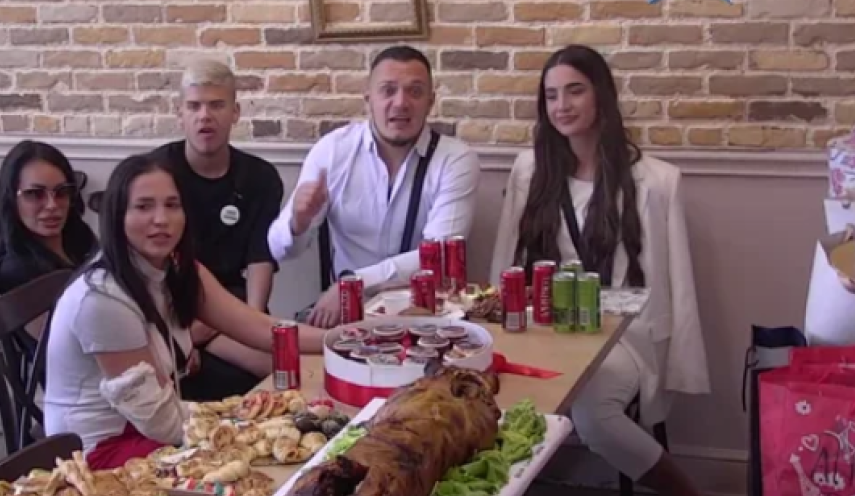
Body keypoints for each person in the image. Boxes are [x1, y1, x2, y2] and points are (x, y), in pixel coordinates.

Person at [489, 45, 710, 496]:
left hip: (621, 334)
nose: (562, 105)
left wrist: (680, 364)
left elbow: (678, 282)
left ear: (601, 96)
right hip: (545, 326)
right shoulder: (530, 170)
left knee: (593, 414)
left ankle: (687, 491)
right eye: (551, 95)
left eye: (575, 91)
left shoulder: (657, 180)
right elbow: (507, 258)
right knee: (483, 388)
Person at [43, 154, 325, 470]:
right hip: (98, 453)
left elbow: (258, 327)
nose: (161, 219)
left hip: (155, 425)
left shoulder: (177, 268)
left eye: (172, 205)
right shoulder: (101, 300)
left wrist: (341, 339)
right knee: (264, 462)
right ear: (117, 215)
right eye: (143, 206)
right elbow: (160, 422)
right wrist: (246, 428)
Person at [268, 45, 480, 328]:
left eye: (415, 91)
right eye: (388, 90)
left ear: (431, 101)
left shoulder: (456, 159)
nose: (401, 102)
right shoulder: (333, 151)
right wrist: (297, 222)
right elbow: (279, 250)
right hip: (344, 315)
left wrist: (355, 282)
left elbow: (438, 256)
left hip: (426, 317)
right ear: (368, 98)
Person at [152, 59, 284, 401]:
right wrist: (184, 335)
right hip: (174, 308)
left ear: (235, 112)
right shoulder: (156, 174)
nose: (205, 116)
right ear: (179, 113)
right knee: (267, 369)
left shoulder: (260, 177)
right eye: (194, 106)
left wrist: (251, 321)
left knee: (286, 366)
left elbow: (260, 257)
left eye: (216, 105)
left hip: (236, 304)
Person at [0, 139, 98, 297]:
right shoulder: (19, 273)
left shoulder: (81, 239)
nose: (52, 205)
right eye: (35, 194)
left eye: (62, 192)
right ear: (11, 199)